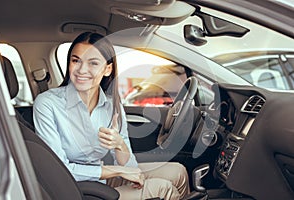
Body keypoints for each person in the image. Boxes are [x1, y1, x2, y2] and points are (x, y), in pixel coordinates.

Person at [33, 31, 190, 200]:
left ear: (107, 69)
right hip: (73, 188)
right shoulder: (47, 104)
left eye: (93, 63)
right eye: (75, 60)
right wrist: (117, 171)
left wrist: (119, 145)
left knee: (178, 172)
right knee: (163, 189)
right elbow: (57, 171)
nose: (81, 70)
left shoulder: (112, 106)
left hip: (100, 178)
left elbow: (131, 167)